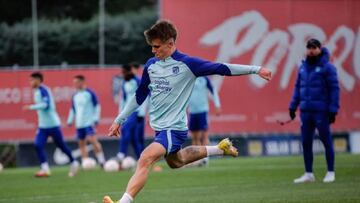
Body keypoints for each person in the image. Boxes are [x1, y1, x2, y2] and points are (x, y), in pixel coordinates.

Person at [103, 20, 271, 203]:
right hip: (160, 129)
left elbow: (221, 68)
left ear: (170, 43)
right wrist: (119, 119)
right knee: (178, 161)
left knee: (145, 158)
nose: (153, 50)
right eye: (151, 46)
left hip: (173, 128)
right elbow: (140, 95)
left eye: (157, 46)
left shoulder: (188, 64)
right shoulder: (151, 65)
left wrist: (256, 69)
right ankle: (220, 149)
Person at [289, 38, 340, 183]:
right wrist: (292, 106)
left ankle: (330, 172)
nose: (311, 50)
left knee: (326, 140)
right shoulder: (303, 67)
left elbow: (334, 89)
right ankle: (308, 173)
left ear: (319, 49)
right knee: (306, 142)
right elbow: (298, 88)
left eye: (314, 47)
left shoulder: (328, 67)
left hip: (321, 111)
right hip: (305, 111)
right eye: (309, 47)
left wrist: (333, 110)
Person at [23, 72, 79, 177]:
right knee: (38, 145)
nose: (30, 82)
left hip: (53, 125)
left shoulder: (43, 90)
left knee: (61, 146)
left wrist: (31, 107)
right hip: (43, 126)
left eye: (32, 80)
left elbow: (46, 105)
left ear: (38, 80)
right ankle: (45, 169)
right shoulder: (36, 91)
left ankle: (74, 162)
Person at [67, 75, 105, 167]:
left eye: (76, 82)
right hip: (79, 124)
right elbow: (73, 109)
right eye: (74, 83)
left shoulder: (90, 93)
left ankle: (102, 161)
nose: (75, 84)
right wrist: (70, 119)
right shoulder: (75, 95)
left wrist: (96, 118)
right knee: (81, 143)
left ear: (82, 82)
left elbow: (97, 106)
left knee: (93, 140)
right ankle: (85, 162)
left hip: (89, 122)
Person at [187, 76, 221, 166]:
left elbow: (213, 91)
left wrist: (217, 105)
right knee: (195, 137)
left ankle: (205, 158)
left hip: (203, 110)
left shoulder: (205, 79)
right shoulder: (189, 78)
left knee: (204, 136)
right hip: (192, 111)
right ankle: (197, 158)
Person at [117, 64, 147, 161]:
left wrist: (142, 112)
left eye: (124, 72)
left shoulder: (137, 81)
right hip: (128, 113)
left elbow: (145, 96)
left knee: (125, 129)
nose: (122, 74)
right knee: (134, 138)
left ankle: (121, 154)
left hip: (137, 112)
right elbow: (124, 100)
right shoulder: (124, 83)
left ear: (130, 71)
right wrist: (121, 114)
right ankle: (141, 159)